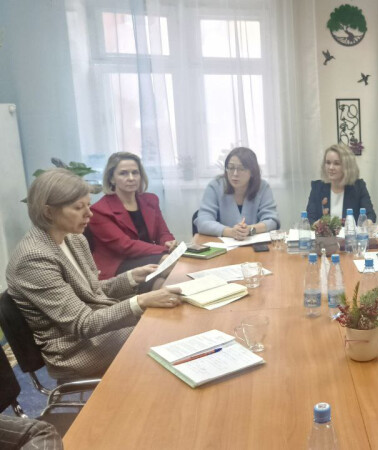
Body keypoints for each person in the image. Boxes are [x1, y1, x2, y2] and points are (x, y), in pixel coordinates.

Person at [6, 169, 181, 380]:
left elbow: (91, 291)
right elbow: (83, 324)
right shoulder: (33, 259)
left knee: (166, 322)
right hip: (74, 349)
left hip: (94, 331)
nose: (89, 214)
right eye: (78, 207)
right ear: (49, 212)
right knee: (159, 330)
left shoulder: (74, 238)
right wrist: (141, 301)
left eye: (88, 205)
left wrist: (131, 277)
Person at [88, 152, 176, 280]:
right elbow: (125, 246)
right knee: (168, 263)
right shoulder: (99, 210)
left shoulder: (150, 200)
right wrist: (163, 249)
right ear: (112, 178)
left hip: (149, 256)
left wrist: (168, 242)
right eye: (123, 173)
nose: (131, 178)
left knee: (177, 264)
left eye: (135, 173)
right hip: (119, 264)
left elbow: (163, 232)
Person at [195, 147, 280, 239]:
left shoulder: (262, 187)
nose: (235, 173)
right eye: (231, 168)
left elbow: (272, 221)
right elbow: (203, 222)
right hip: (221, 245)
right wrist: (230, 232)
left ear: (252, 171)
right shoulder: (215, 186)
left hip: (254, 245)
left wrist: (250, 230)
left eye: (241, 169)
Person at [306, 144, 376, 224]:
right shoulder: (317, 187)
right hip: (324, 232)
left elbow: (370, 215)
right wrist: (315, 224)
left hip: (351, 232)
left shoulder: (358, 187)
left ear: (347, 167)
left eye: (336, 163)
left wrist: (368, 222)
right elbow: (309, 217)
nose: (331, 167)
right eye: (328, 163)